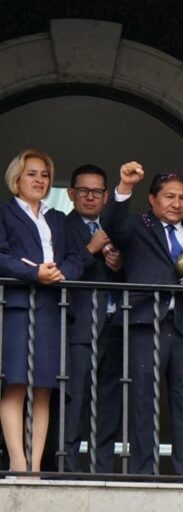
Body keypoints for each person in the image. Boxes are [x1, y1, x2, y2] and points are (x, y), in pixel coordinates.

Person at [103, 162, 183, 474]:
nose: (177, 203)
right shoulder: (137, 225)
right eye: (169, 196)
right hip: (145, 322)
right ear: (152, 199)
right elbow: (112, 223)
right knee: (143, 397)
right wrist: (125, 186)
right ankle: (144, 472)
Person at [0, 149, 82, 473]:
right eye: (32, 173)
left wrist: (61, 274)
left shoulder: (57, 217)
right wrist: (34, 273)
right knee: (16, 384)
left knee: (44, 389)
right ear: (17, 178)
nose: (40, 180)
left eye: (45, 175)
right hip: (19, 307)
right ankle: (18, 462)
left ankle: (34, 466)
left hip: (51, 308)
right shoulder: (5, 213)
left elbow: (76, 258)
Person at [63, 164, 124, 472]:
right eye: (83, 191)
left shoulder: (117, 227)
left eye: (97, 191)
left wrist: (119, 264)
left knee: (109, 399)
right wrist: (91, 248)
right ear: (71, 194)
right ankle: (67, 467)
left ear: (106, 196)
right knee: (74, 396)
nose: (90, 197)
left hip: (115, 324)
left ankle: (102, 468)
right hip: (79, 324)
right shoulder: (60, 225)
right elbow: (63, 269)